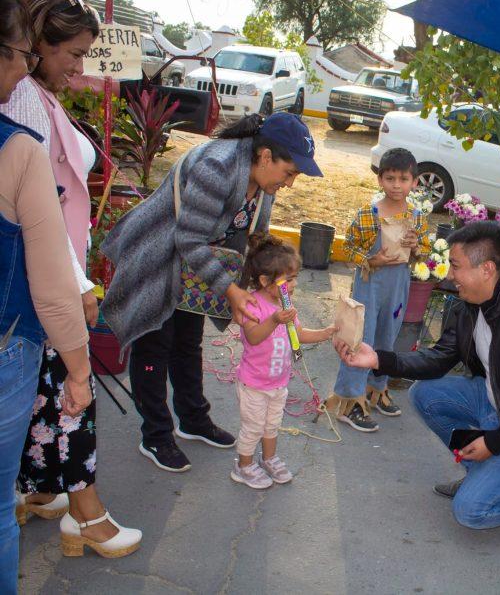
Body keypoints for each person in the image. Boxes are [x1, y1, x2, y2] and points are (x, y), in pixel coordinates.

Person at [335, 221, 500, 539]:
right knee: (424, 395)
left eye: (456, 266)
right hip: (498, 401)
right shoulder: (467, 306)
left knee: (471, 512)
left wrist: (494, 442)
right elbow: (438, 359)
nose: (449, 275)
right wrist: (377, 359)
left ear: (487, 269)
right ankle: (480, 474)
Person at [101, 112, 323, 473]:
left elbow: (256, 242)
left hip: (195, 268)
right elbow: (187, 238)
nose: (290, 183)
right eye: (290, 172)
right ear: (265, 156)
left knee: (188, 340)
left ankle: (193, 419)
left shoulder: (264, 183)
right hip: (161, 254)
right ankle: (156, 434)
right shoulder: (217, 167)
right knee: (155, 340)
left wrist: (256, 290)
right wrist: (231, 291)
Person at [1, 0, 140, 557]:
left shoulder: (42, 99)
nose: (80, 68)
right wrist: (78, 284)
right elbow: (40, 214)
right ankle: (85, 514)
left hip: (56, 273)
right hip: (51, 279)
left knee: (48, 396)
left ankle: (40, 494)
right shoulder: (26, 103)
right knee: (72, 395)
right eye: (74, 55)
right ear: (37, 50)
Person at [0, 0, 93, 582]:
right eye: (19, 55)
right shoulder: (18, 140)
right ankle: (85, 513)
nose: (21, 66)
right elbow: (52, 276)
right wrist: (80, 369)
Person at [326, 147, 429, 432]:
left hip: (398, 286)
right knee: (359, 338)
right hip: (369, 285)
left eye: (404, 179)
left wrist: (416, 247)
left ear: (415, 182)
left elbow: (424, 253)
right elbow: (348, 248)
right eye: (390, 178)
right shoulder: (367, 214)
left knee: (387, 336)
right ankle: (350, 400)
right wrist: (371, 259)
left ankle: (376, 389)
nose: (397, 185)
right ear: (380, 180)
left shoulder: (416, 217)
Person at [230, 233, 336, 489]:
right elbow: (253, 337)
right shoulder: (253, 305)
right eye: (288, 279)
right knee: (253, 427)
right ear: (266, 281)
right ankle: (243, 465)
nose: (294, 283)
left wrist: (326, 332)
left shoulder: (285, 303)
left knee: (272, 425)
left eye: (295, 277)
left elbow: (298, 334)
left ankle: (269, 458)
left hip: (278, 383)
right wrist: (275, 320)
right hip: (254, 384)